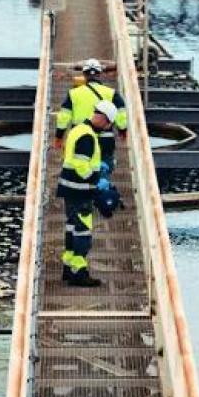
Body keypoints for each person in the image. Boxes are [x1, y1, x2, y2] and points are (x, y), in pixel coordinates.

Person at [58, 100, 117, 287]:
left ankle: (68, 268)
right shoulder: (88, 136)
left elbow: (71, 158)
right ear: (103, 119)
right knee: (83, 232)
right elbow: (81, 165)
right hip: (80, 190)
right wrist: (96, 179)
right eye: (108, 124)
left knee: (72, 227)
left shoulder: (78, 129)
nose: (108, 127)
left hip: (69, 187)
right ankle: (79, 273)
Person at [56, 58, 129, 152]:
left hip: (80, 138)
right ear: (100, 74)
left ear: (84, 75)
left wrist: (59, 136)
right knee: (105, 164)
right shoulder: (112, 93)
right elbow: (121, 115)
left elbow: (63, 117)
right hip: (105, 139)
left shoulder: (73, 94)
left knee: (81, 164)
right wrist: (122, 131)